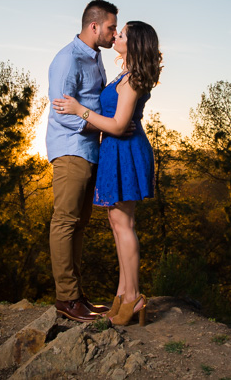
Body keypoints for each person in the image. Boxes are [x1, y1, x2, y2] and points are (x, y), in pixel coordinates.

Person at [53, 20, 162, 326]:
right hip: (115, 149)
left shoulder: (133, 80)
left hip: (125, 149)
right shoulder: (125, 74)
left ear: (135, 43)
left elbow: (116, 124)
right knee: (117, 222)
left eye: (122, 34)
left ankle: (133, 298)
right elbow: (114, 122)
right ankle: (122, 294)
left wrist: (79, 111)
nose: (116, 36)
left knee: (124, 223)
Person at [46, 0, 119, 322]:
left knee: (78, 224)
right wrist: (103, 124)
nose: (114, 33)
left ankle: (77, 295)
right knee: (64, 222)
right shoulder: (68, 60)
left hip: (90, 150)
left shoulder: (95, 58)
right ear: (94, 26)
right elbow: (64, 115)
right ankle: (66, 298)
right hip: (70, 149)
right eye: (111, 27)